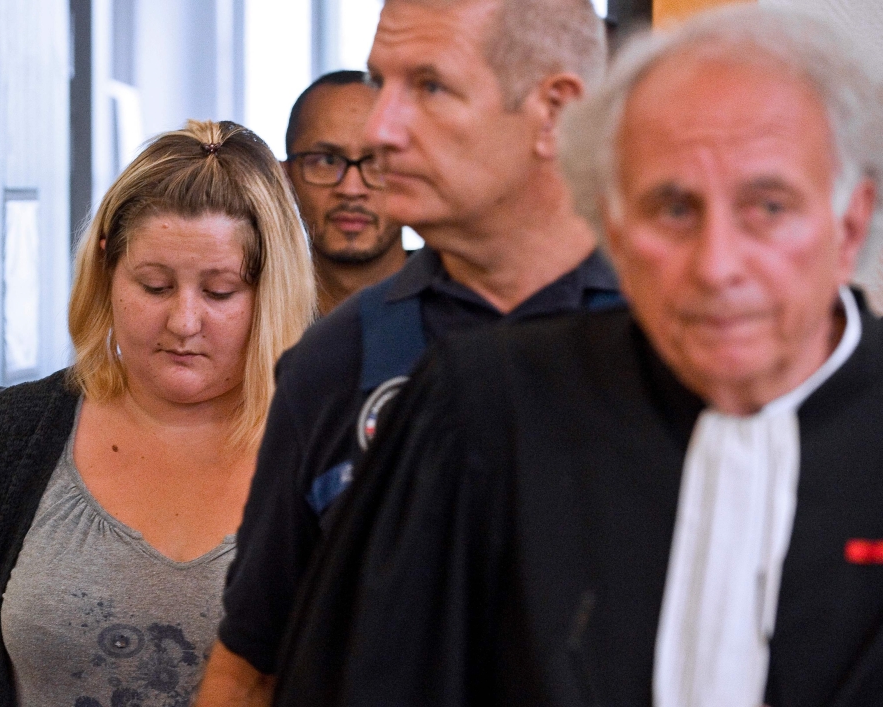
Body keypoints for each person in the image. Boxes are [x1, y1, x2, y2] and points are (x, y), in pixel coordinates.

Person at [271, 6, 883, 706]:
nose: (717, 265)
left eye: (768, 207)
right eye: (673, 209)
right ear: (614, 227)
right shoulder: (479, 409)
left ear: (850, 224)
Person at [195, 0, 621, 704]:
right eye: (380, 83)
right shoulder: (333, 361)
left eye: (428, 87)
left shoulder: (675, 343)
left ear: (555, 111)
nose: (383, 128)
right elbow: (250, 667)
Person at [0, 120, 315, 707]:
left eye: (219, 292)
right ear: (107, 270)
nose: (183, 322)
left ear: (270, 291)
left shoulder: (327, 450)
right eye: (155, 286)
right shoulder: (11, 438)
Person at [284, 70, 406, 315]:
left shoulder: (465, 316)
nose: (351, 190)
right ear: (285, 177)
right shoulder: (252, 321)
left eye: (377, 162)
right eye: (327, 161)